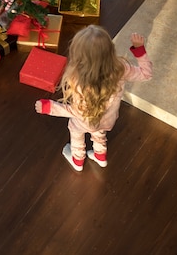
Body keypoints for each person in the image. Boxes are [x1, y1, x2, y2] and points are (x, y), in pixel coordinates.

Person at [35, 25, 152, 172]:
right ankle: (100, 156)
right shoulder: (120, 68)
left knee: (76, 131)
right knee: (99, 132)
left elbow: (77, 112)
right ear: (110, 50)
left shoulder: (78, 81)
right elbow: (146, 74)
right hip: (108, 120)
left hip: (85, 122)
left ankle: (77, 159)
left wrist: (49, 107)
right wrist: (139, 50)